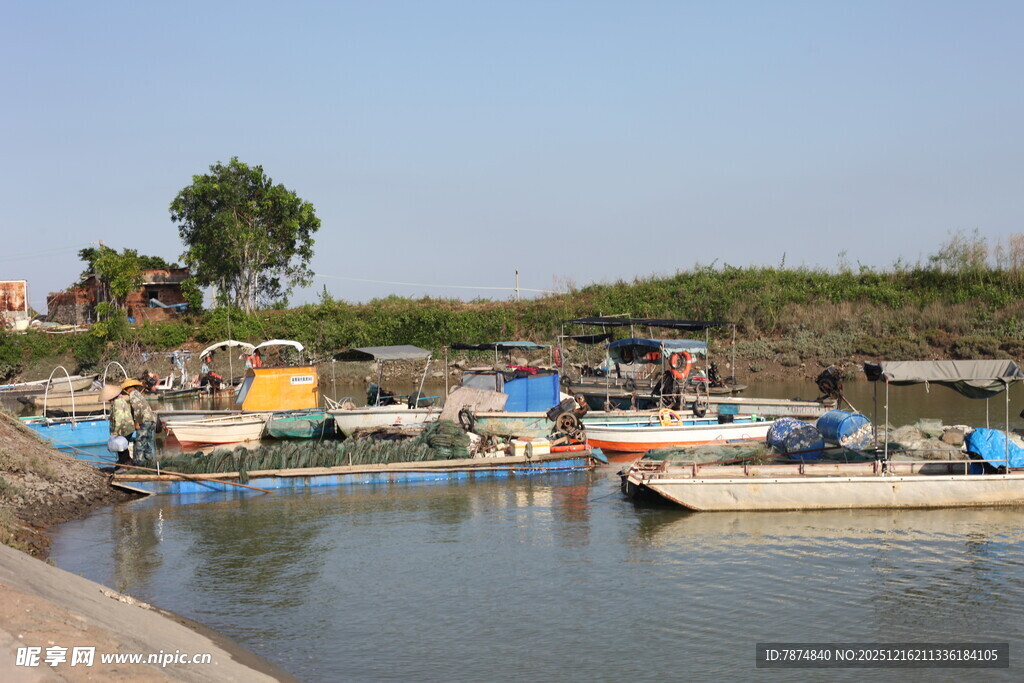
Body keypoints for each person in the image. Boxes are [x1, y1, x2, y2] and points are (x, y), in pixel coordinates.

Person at [122, 378, 156, 463]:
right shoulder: (138, 394)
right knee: (147, 442)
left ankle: (140, 463)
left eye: (126, 389)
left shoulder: (133, 394)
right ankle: (149, 461)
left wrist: (137, 423)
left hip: (143, 420)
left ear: (129, 388)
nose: (126, 391)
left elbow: (137, 409)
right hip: (150, 419)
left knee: (140, 443)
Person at [101, 382, 135, 468]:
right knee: (122, 445)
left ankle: (124, 464)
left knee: (120, 446)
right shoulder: (118, 401)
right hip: (126, 427)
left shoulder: (118, 402)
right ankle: (125, 461)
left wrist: (116, 432)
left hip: (124, 428)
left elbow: (119, 418)